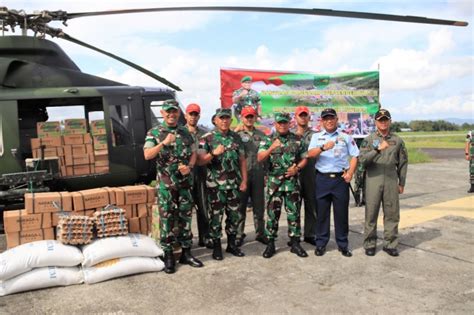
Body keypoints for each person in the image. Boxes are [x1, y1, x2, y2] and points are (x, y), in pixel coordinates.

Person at [143, 99, 203, 274]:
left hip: (184, 184)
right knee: (167, 219)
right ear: (162, 113)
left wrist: (190, 167)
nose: (171, 114)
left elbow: (193, 153)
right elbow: (147, 154)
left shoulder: (186, 132)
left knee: (185, 218)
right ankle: (168, 255)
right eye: (168, 111)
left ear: (178, 113)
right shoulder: (154, 132)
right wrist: (163, 143)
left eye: (174, 111)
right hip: (166, 185)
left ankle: (186, 252)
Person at [307, 108, 359, 258]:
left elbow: (355, 155)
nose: (329, 121)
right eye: (326, 118)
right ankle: (321, 243)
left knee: (341, 214)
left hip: (340, 180)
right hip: (322, 179)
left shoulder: (346, 137)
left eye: (332, 118)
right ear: (322, 121)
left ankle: (343, 244)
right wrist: (323, 147)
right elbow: (310, 155)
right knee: (322, 214)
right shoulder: (316, 137)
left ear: (337, 120)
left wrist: (350, 173)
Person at [198, 108, 248, 260]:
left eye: (227, 118)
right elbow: (200, 161)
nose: (225, 121)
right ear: (215, 120)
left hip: (233, 185)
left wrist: (244, 180)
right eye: (222, 118)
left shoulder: (236, 137)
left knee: (233, 216)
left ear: (231, 120)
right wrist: (213, 153)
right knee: (216, 217)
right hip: (215, 187)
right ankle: (217, 246)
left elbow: (242, 160)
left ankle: (232, 245)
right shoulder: (206, 138)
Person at [258, 112, 308, 258]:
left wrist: (297, 168)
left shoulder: (298, 140)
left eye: (285, 122)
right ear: (275, 124)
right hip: (274, 184)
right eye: (279, 122)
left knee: (294, 213)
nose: (282, 125)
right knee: (272, 214)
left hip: (291, 183)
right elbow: (260, 158)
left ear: (289, 123)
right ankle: (271, 244)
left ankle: (295, 243)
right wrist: (271, 148)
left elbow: (305, 158)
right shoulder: (267, 139)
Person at [359, 109, 408, 257]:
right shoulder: (369, 139)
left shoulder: (398, 140)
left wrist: (402, 182)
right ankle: (370, 243)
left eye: (386, 119)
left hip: (391, 179)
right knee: (371, 213)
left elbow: (403, 163)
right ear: (376, 122)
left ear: (390, 121)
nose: (383, 122)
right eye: (380, 120)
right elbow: (362, 160)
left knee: (392, 213)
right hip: (373, 178)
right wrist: (377, 150)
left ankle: (390, 244)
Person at [234, 106, 267, 246]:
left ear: (255, 118)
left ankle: (260, 233)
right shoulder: (237, 135)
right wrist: (235, 131)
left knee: (259, 206)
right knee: (240, 206)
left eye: (251, 116)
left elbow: (266, 156)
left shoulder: (262, 135)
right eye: (246, 116)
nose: (249, 119)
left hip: (258, 174)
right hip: (242, 175)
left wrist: (266, 173)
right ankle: (238, 234)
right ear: (242, 117)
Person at [184, 103, 212, 249]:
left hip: (201, 174)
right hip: (184, 175)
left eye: (195, 114)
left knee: (203, 206)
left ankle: (205, 237)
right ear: (186, 115)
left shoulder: (205, 134)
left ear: (199, 116)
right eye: (191, 114)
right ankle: (186, 240)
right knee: (185, 208)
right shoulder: (180, 132)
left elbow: (209, 153)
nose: (193, 117)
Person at [293, 106, 317, 246]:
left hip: (311, 174)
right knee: (294, 206)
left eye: (305, 115)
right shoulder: (290, 135)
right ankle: (294, 235)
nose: (303, 117)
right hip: (294, 175)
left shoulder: (316, 135)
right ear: (295, 117)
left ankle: (310, 234)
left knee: (311, 205)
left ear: (309, 117)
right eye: (300, 115)